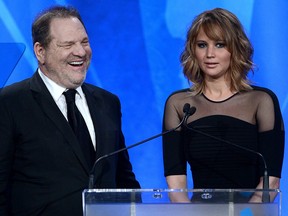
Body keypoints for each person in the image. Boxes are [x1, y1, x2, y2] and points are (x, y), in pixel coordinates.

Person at [0, 6, 140, 215]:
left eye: (84, 42)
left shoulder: (108, 102)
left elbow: (124, 179)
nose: (81, 52)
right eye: (68, 44)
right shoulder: (11, 102)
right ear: (41, 52)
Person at [162, 8, 284, 203]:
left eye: (219, 44)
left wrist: (246, 215)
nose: (210, 54)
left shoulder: (261, 101)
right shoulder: (179, 105)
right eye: (202, 45)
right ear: (193, 50)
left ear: (235, 48)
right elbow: (176, 184)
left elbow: (271, 183)